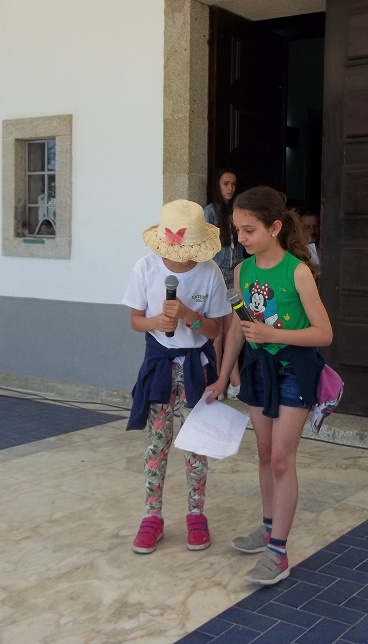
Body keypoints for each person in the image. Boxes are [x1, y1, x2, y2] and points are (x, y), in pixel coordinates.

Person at [204, 186, 333, 585]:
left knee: (280, 458)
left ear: (274, 228)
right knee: (263, 453)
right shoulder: (242, 271)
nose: (240, 238)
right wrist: (223, 376)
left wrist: (272, 334)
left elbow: (324, 333)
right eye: (237, 230)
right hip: (259, 370)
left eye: (249, 230)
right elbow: (239, 329)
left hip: (294, 370)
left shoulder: (298, 272)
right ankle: (267, 526)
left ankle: (278, 552)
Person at [123, 199, 232, 555]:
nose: (179, 256)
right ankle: (152, 515)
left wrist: (189, 315)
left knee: (196, 443)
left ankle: (196, 513)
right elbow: (135, 320)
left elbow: (215, 330)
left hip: (196, 367)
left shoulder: (209, 272)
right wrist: (156, 322)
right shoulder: (146, 268)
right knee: (158, 441)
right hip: (160, 364)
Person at [203, 167, 245, 399]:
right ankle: (219, 379)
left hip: (234, 274)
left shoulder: (236, 211)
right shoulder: (210, 211)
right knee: (218, 332)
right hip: (217, 274)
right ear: (217, 185)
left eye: (233, 184)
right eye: (226, 183)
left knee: (232, 329)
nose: (230, 188)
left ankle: (233, 381)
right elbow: (205, 246)